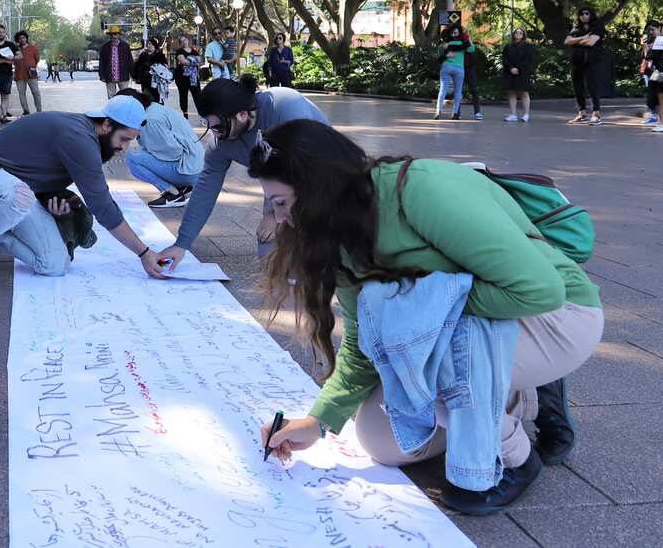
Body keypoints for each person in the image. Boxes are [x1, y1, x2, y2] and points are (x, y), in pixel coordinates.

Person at [252, 120, 602, 515]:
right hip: (480, 325)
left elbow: (539, 290)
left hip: (558, 316)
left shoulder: (420, 189)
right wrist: (317, 423)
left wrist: (426, 314)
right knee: (381, 441)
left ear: (318, 187)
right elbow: (363, 342)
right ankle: (508, 393)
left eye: (280, 203)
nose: (279, 219)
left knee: (417, 353)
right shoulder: (340, 234)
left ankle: (518, 459)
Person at [0, 95, 169, 294]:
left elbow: (35, 170)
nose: (125, 147)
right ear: (107, 124)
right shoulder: (78, 137)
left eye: (131, 140)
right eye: (124, 139)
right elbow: (103, 207)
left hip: (22, 191)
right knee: (19, 197)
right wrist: (144, 253)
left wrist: (51, 205)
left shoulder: (90, 136)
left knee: (54, 265)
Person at [157, 75, 328, 266]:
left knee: (316, 250)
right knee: (269, 258)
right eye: (210, 126)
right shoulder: (221, 143)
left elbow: (298, 167)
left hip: (321, 172)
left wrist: (272, 214)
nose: (215, 133)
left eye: (219, 126)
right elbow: (205, 188)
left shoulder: (284, 105)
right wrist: (182, 244)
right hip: (278, 179)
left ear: (242, 114)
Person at [120, 88, 204, 208]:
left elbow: (174, 153)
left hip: (189, 170)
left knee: (132, 158)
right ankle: (181, 186)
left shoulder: (148, 120)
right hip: (194, 165)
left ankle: (173, 193)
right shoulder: (153, 108)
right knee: (141, 154)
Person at [564, 6, 606, 125]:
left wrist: (576, 41)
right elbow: (567, 41)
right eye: (581, 14)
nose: (584, 16)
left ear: (591, 14)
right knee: (577, 87)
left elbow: (591, 42)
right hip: (577, 61)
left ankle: (596, 114)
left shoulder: (597, 26)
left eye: (586, 13)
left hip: (592, 61)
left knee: (592, 86)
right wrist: (582, 38)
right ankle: (582, 114)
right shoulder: (577, 28)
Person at [434, 24, 471, 120]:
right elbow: (471, 49)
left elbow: (438, 59)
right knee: (458, 91)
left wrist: (447, 54)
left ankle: (438, 111)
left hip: (446, 67)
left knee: (443, 89)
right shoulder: (462, 43)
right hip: (459, 69)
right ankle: (455, 113)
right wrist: (469, 38)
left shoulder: (443, 45)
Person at [500, 28, 534, 123]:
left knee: (524, 93)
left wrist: (518, 68)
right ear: (513, 34)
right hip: (509, 72)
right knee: (511, 93)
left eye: (520, 33)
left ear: (523, 35)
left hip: (522, 72)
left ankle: (526, 114)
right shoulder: (508, 46)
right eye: (516, 32)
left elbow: (528, 60)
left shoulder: (528, 46)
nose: (518, 34)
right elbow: (504, 58)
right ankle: (513, 114)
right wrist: (511, 68)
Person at [98, 25, 134, 98]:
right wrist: (102, 76)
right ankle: (112, 109)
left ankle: (124, 109)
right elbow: (101, 63)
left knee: (125, 97)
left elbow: (130, 61)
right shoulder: (104, 47)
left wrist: (133, 74)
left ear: (118, 34)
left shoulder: (125, 46)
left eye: (115, 34)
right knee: (111, 97)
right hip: (109, 76)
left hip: (123, 75)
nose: (113, 36)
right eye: (111, 34)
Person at [13, 30, 43, 115]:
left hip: (31, 74)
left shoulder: (34, 48)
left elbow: (37, 59)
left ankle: (39, 111)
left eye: (23, 37)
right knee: (21, 94)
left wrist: (32, 66)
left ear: (26, 38)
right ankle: (26, 111)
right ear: (17, 40)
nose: (22, 39)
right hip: (19, 74)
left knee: (36, 93)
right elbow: (13, 60)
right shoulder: (16, 49)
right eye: (20, 38)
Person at [172, 35, 202, 118]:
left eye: (184, 40)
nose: (183, 42)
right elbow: (183, 61)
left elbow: (200, 60)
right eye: (181, 41)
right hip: (181, 78)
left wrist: (189, 60)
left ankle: (202, 114)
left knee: (197, 95)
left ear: (188, 40)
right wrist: (194, 61)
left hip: (193, 78)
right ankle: (185, 114)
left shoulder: (194, 51)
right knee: (183, 95)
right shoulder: (179, 51)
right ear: (180, 43)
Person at [133, 37, 167, 103]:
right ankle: (149, 111)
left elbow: (165, 67)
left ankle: (158, 112)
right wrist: (136, 76)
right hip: (145, 80)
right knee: (146, 98)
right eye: (148, 44)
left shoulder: (160, 55)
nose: (149, 45)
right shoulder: (143, 55)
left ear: (155, 45)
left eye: (151, 44)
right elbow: (137, 66)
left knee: (157, 97)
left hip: (156, 81)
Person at [639, 21, 660, 124]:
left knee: (657, 93)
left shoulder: (662, 40)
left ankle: (657, 116)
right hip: (649, 70)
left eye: (653, 29)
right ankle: (652, 115)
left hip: (659, 70)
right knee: (651, 93)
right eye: (649, 30)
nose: (651, 32)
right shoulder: (649, 41)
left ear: (659, 29)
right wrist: (644, 47)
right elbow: (646, 56)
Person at [461, 29, 485, 120]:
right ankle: (457, 112)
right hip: (460, 67)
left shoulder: (467, 40)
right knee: (459, 90)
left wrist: (469, 39)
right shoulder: (457, 41)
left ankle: (477, 112)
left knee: (474, 90)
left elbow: (471, 49)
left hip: (469, 68)